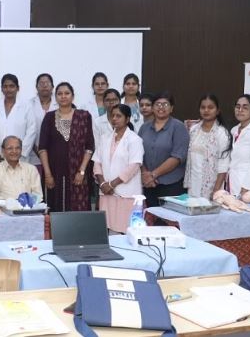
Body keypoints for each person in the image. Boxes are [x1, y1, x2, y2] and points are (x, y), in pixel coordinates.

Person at [38, 82, 94, 212]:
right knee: (55, 208)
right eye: (60, 94)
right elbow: (42, 148)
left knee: (77, 210)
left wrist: (81, 171)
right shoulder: (49, 117)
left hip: (78, 172)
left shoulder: (84, 116)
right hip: (54, 171)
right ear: (55, 97)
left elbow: (89, 147)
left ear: (73, 96)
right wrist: (48, 174)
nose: (63, 96)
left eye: (67, 93)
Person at [93, 104, 144, 234]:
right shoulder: (104, 138)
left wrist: (111, 184)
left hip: (125, 193)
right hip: (106, 192)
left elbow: (134, 166)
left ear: (127, 119)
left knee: (126, 230)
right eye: (112, 116)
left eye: (118, 116)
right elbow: (97, 162)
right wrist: (103, 184)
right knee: (108, 229)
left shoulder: (134, 140)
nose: (114, 119)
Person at [138, 92, 189, 208]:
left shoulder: (178, 127)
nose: (161, 107)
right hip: (148, 184)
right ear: (152, 108)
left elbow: (177, 157)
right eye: (157, 104)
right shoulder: (144, 127)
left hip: (171, 184)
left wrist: (153, 175)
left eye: (165, 104)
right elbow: (138, 154)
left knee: (170, 217)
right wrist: (145, 174)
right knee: (150, 216)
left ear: (171, 108)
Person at [183, 94, 232, 199]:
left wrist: (216, 190)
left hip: (212, 187)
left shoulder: (222, 133)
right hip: (193, 184)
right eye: (203, 107)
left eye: (210, 107)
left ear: (217, 111)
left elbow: (223, 165)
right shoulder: (194, 130)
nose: (206, 110)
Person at [0, 74, 36, 165]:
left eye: (12, 86)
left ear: (18, 88)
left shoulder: (26, 106)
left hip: (20, 156)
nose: (8, 89)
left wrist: (21, 152)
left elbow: (32, 130)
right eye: (5, 86)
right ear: (1, 89)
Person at [0, 136, 42, 200]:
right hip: (4, 206)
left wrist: (26, 204)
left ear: (21, 150)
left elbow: (38, 195)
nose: (14, 151)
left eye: (17, 148)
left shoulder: (31, 169)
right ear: (3, 151)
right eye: (10, 148)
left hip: (28, 206)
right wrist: (10, 204)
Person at [28, 73, 58, 174]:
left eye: (47, 83)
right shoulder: (28, 105)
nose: (44, 85)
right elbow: (26, 129)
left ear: (52, 87)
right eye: (41, 83)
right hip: (33, 154)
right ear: (36, 87)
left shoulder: (60, 104)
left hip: (55, 154)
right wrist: (37, 150)